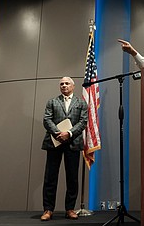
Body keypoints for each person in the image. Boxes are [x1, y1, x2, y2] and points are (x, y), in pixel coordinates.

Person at [40, 77, 88, 221]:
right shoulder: (52, 102)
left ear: (73, 86)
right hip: (54, 143)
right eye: (62, 84)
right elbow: (47, 119)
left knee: (72, 178)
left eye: (67, 83)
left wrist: (69, 133)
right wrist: (58, 133)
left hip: (73, 143)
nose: (64, 85)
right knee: (50, 177)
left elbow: (83, 121)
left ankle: (70, 209)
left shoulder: (81, 103)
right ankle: (48, 210)